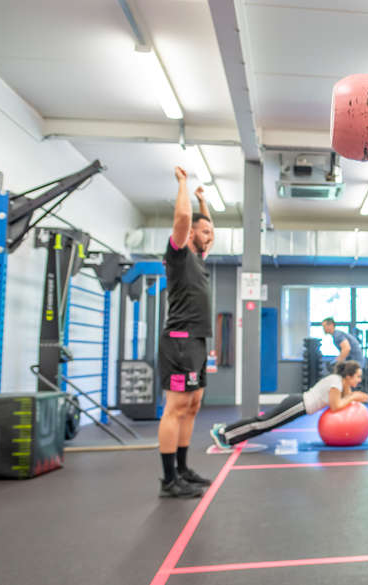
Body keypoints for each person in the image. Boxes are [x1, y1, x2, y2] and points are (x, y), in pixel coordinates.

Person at [157, 166, 215, 498]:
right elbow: (182, 219)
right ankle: (168, 480)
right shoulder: (179, 254)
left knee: (193, 404)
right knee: (176, 407)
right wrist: (184, 185)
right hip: (179, 342)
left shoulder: (200, 259)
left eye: (209, 231)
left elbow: (205, 229)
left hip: (197, 342)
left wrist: (204, 204)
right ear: (190, 233)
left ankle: (182, 468)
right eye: (203, 230)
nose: (208, 235)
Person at [209, 360, 368, 448]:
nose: (359, 380)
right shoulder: (336, 383)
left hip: (299, 404)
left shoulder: (340, 381)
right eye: (358, 377)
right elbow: (336, 406)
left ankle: (228, 435)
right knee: (264, 423)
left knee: (266, 424)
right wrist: (353, 397)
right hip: (299, 404)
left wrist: (351, 393)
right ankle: (224, 433)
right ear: (348, 376)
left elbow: (344, 397)